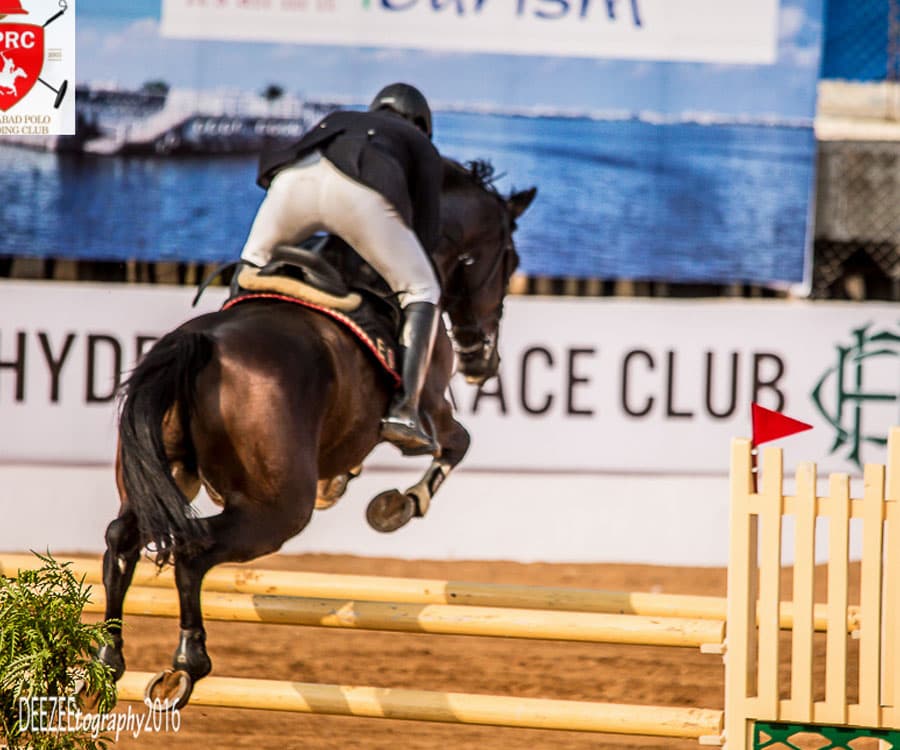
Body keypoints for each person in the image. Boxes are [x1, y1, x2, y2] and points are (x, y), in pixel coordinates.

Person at [240, 83, 443, 456]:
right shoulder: (419, 142)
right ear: (420, 122)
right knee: (423, 289)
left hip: (292, 182)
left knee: (251, 264)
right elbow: (426, 236)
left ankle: (220, 341)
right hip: (360, 196)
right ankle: (405, 410)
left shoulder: (341, 117)